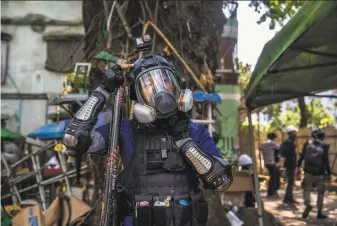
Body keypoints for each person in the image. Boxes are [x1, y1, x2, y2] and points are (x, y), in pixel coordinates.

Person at [62, 53, 233, 226]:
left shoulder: (194, 131)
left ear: (175, 86)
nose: (160, 88)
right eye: (149, 84)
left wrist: (184, 141)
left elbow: (222, 181)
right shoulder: (124, 130)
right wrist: (104, 90)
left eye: (165, 80)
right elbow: (73, 141)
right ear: (138, 93)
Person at [297, 129, 331, 219]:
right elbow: (326, 160)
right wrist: (329, 172)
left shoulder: (307, 143)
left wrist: (298, 166)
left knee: (306, 189)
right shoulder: (324, 146)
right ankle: (319, 213)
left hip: (308, 172)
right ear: (322, 136)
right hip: (320, 173)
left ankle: (308, 204)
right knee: (320, 193)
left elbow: (301, 156)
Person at [279, 125, 299, 205]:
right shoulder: (289, 142)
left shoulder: (290, 142)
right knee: (290, 182)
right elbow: (285, 153)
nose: (296, 133)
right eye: (294, 131)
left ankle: (289, 198)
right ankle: (287, 199)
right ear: (291, 133)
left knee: (291, 182)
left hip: (291, 164)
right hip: (290, 165)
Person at [260, 132, 280, 197]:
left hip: (266, 163)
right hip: (271, 162)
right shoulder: (271, 143)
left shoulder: (263, 143)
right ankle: (271, 192)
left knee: (274, 176)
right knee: (273, 178)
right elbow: (279, 148)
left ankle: (273, 191)